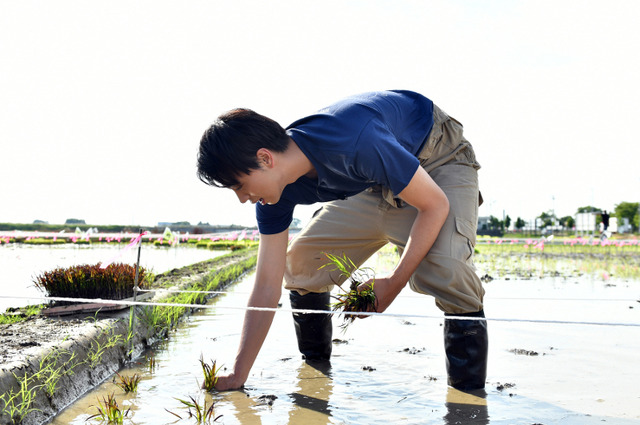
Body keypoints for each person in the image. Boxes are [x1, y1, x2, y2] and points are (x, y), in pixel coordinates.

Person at [196, 90, 488, 392]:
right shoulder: (274, 195)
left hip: (438, 158)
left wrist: (394, 282)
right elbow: (266, 286)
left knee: (447, 269)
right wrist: (237, 375)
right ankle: (316, 377)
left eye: (240, 186)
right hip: (374, 180)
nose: (243, 198)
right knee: (302, 264)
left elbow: (435, 205)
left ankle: (468, 401)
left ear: (265, 158)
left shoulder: (356, 141)